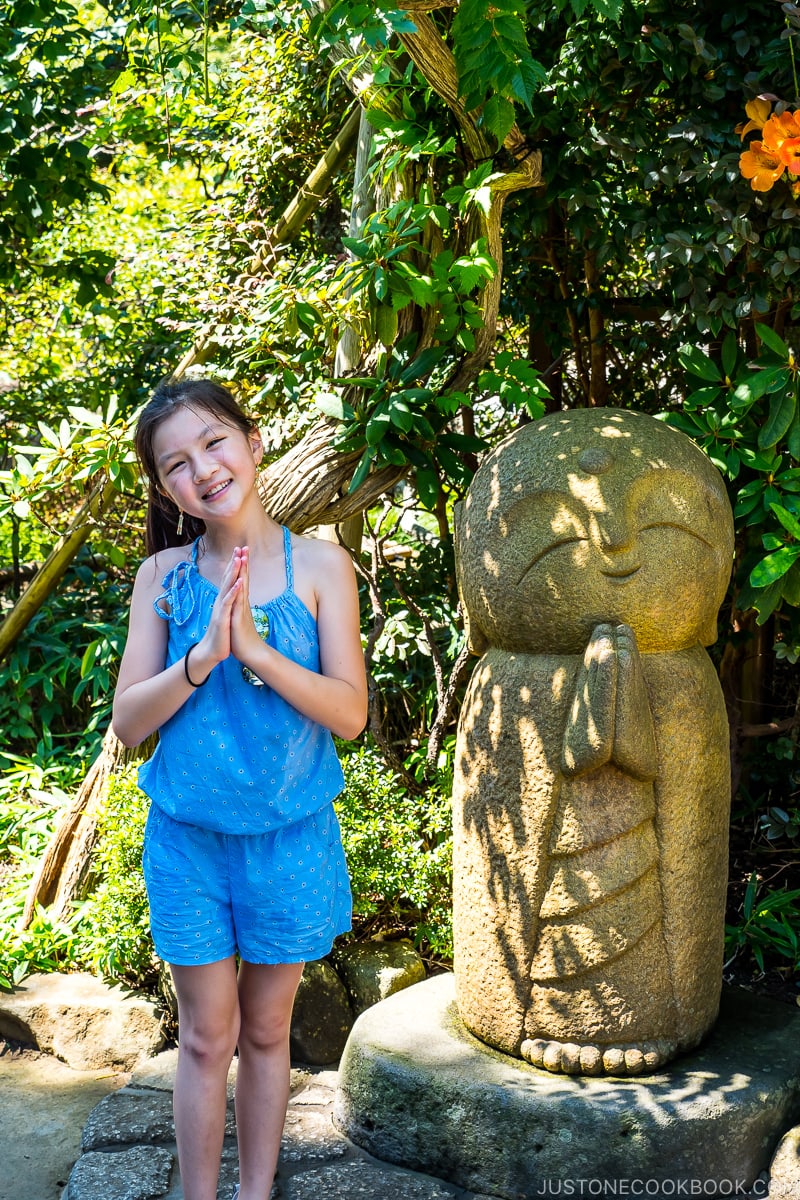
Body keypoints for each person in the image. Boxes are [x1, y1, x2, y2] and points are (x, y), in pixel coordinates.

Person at [112, 377, 367, 1200]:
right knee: (202, 1037)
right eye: (177, 463)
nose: (204, 469)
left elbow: (351, 714)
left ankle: (255, 1194)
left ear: (252, 444)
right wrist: (202, 658)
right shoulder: (162, 577)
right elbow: (127, 723)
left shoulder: (324, 566)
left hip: (289, 840)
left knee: (266, 1031)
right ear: (166, 489)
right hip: (188, 843)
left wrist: (255, 651)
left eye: (215, 442)